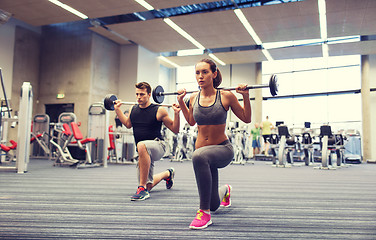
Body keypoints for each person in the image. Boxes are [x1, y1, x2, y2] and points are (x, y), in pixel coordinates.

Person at [177, 58, 251, 229]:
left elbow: (247, 118)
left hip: (222, 149)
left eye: (205, 72)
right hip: (203, 154)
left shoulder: (225, 96)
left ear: (214, 73)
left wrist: (245, 97)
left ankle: (204, 213)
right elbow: (190, 121)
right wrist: (181, 101)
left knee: (198, 156)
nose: (200, 76)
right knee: (214, 204)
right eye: (197, 72)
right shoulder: (194, 98)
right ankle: (225, 191)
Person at [114, 82, 181, 201]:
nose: (139, 97)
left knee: (141, 145)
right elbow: (128, 124)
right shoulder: (133, 109)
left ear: (149, 95)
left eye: (142, 94)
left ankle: (141, 188)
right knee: (148, 184)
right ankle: (168, 174)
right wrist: (117, 110)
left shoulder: (159, 110)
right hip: (143, 152)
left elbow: (175, 129)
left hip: (158, 146)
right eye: (137, 94)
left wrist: (176, 114)